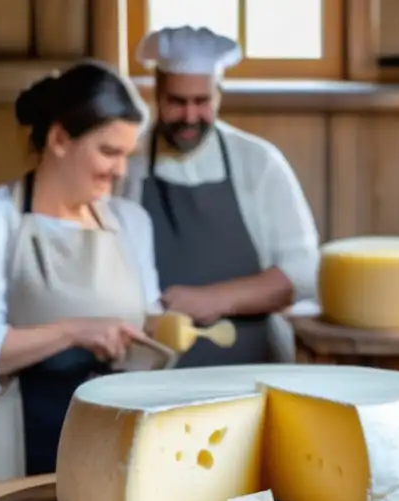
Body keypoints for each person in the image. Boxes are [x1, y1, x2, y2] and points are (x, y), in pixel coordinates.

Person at [0, 61, 169, 501]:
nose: (121, 170)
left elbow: (147, 316)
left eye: (128, 154)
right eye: (109, 151)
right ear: (60, 139)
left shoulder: (131, 223)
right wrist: (75, 330)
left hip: (99, 445)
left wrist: (163, 328)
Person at [119, 25, 320, 366]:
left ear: (219, 96)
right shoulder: (127, 164)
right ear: (156, 95)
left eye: (202, 101)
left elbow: (303, 273)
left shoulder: (259, 162)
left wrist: (214, 299)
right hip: (155, 371)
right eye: (177, 102)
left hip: (254, 364)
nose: (190, 116)